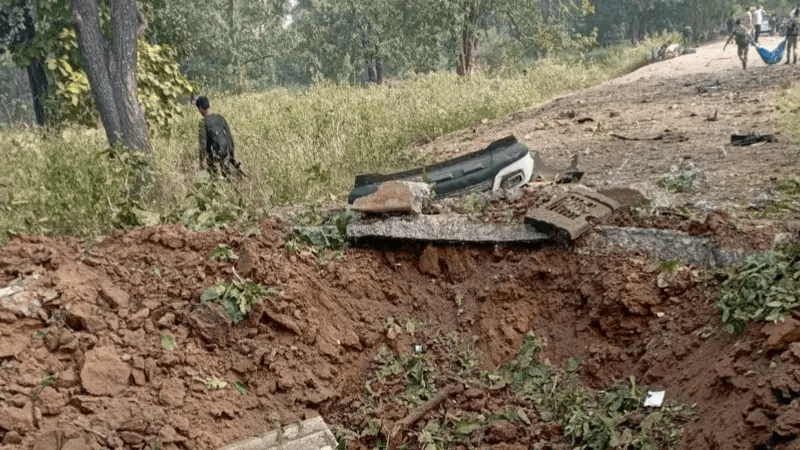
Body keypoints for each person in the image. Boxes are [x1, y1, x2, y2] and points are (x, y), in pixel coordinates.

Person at [195, 96, 244, 177]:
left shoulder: (203, 122)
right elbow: (229, 136)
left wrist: (201, 160)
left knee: (214, 177)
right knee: (227, 175)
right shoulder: (220, 118)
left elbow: (202, 143)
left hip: (214, 155)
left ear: (200, 108)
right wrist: (233, 153)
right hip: (227, 151)